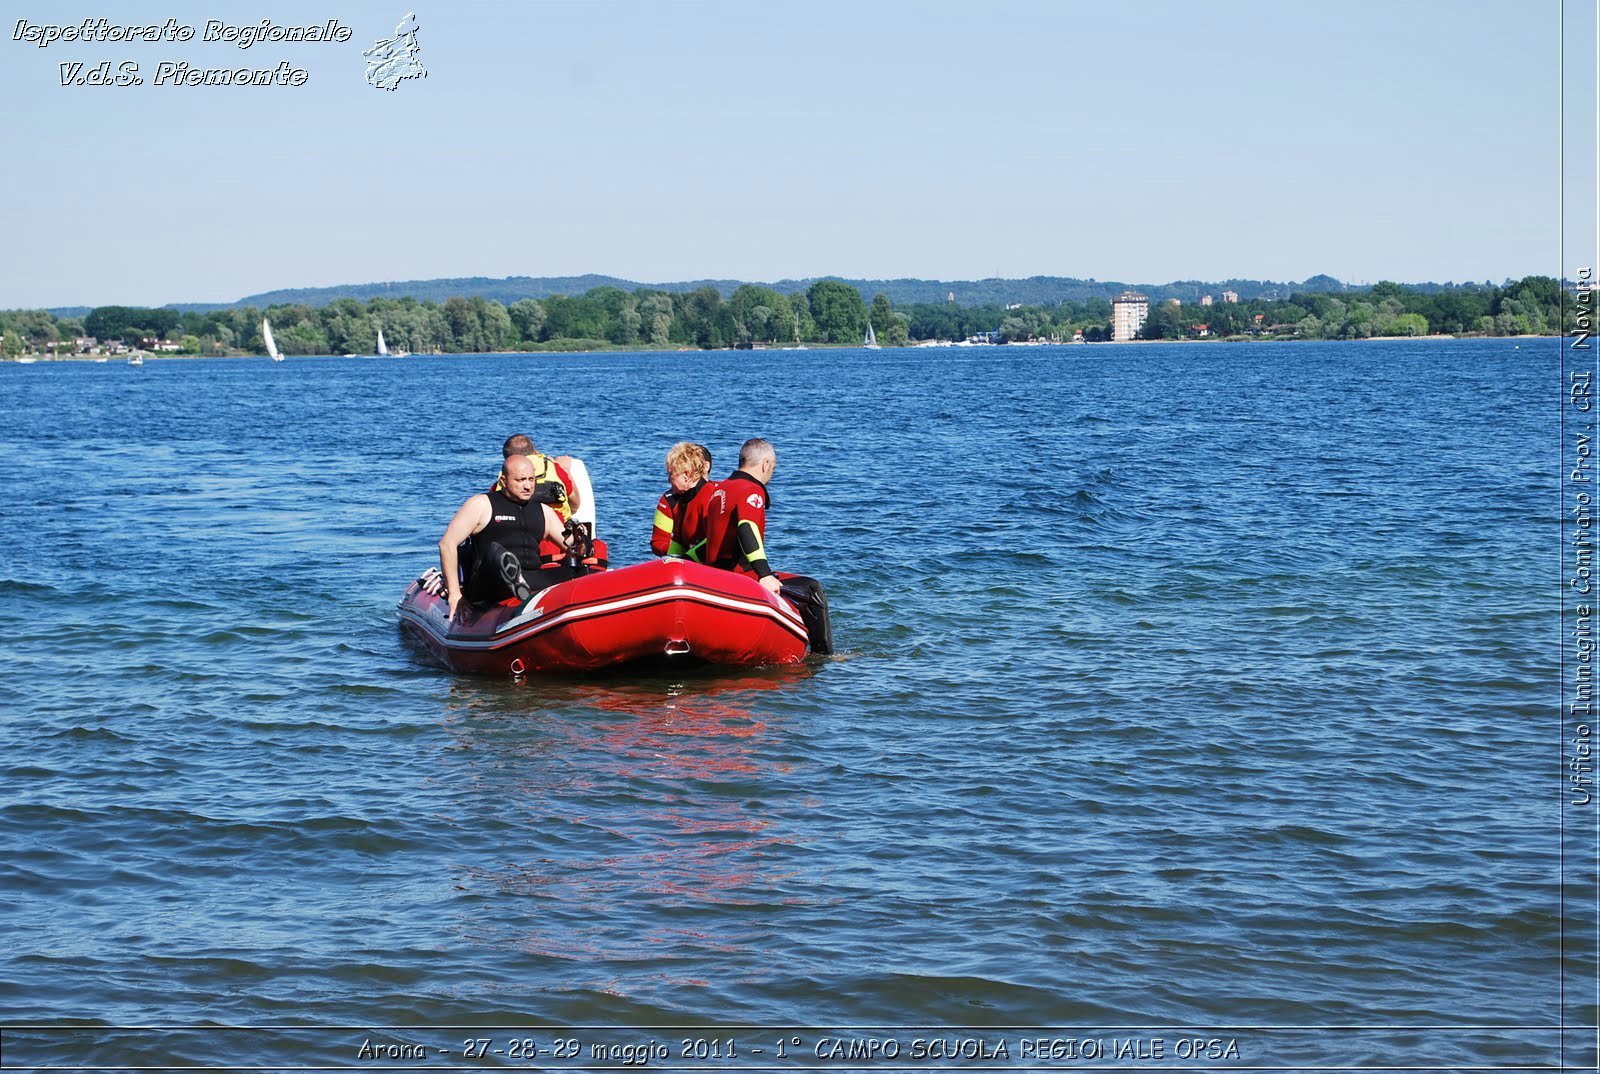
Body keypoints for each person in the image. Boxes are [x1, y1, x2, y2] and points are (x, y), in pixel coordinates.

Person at [701, 437, 833, 654]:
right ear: (765, 465)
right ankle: (825, 657)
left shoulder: (719, 490)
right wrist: (764, 574)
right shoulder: (752, 490)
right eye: (773, 467)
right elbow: (747, 528)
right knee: (811, 588)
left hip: (716, 573)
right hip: (740, 576)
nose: (772, 472)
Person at [438, 454, 574, 618]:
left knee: (579, 572)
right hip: (489, 584)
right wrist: (455, 594)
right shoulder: (481, 504)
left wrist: (581, 539)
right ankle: (509, 571)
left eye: (531, 479)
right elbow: (447, 544)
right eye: (521, 480)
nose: (528, 486)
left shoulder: (543, 510)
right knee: (496, 552)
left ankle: (518, 582)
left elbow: (569, 545)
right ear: (503, 481)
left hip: (528, 580)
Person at [651, 442, 714, 558]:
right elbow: (677, 541)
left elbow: (715, 540)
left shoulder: (709, 497)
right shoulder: (675, 499)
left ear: (686, 474)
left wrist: (686, 559)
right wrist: (673, 558)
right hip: (691, 560)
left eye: (671, 475)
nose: (668, 480)